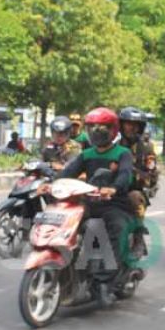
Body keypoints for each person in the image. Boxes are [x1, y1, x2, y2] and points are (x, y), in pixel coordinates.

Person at [39, 107, 136, 303]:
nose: (96, 132)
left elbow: (126, 174)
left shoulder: (122, 153)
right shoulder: (87, 154)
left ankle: (104, 282)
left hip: (114, 204)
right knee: (65, 225)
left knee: (116, 229)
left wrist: (114, 188)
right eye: (92, 127)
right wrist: (51, 184)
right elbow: (69, 172)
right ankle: (71, 270)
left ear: (113, 130)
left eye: (103, 128)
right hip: (90, 203)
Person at [118, 107, 158, 222]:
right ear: (121, 125)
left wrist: (131, 172)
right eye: (128, 123)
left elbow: (151, 178)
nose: (132, 127)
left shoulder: (146, 148)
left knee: (135, 198)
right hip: (109, 189)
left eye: (136, 125)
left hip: (134, 189)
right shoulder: (112, 144)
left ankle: (137, 234)